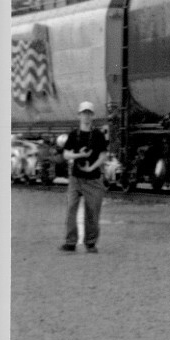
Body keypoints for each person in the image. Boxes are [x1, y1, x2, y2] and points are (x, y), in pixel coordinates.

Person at [61, 101, 107, 252]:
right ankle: (70, 242)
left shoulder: (98, 135)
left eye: (89, 113)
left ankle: (91, 242)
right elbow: (66, 154)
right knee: (71, 208)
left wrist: (92, 168)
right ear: (79, 115)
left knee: (92, 211)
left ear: (92, 116)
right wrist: (79, 154)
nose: (86, 116)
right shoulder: (74, 135)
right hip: (76, 179)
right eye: (84, 113)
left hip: (93, 179)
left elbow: (103, 155)